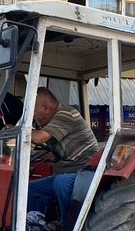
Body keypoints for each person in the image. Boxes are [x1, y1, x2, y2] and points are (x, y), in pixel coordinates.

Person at [26, 87, 98, 221]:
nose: (32, 115)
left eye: (33, 110)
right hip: (67, 171)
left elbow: (39, 138)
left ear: (46, 108)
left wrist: (18, 129)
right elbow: (57, 150)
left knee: (61, 182)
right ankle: (35, 227)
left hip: (85, 174)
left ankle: (66, 228)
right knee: (30, 189)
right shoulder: (51, 123)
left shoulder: (67, 113)